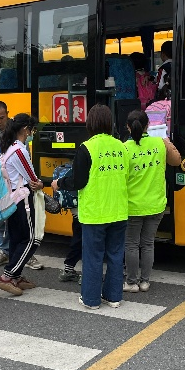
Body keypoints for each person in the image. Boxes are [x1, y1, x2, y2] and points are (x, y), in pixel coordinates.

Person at [53, 105, 128, 309]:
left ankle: (91, 300)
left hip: (95, 213)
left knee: (93, 257)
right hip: (119, 210)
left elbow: (77, 182)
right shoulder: (122, 147)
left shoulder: (87, 148)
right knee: (115, 255)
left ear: (90, 124)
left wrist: (59, 183)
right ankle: (113, 297)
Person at [0, 101, 43, 271]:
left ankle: (20, 258)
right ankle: (5, 255)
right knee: (3, 221)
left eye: (1, 117)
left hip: (11, 184)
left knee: (15, 226)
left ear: (8, 113)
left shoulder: (16, 136)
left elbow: (25, 160)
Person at [122, 110, 181, 293]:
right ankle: (145, 281)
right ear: (148, 125)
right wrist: (167, 141)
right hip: (156, 205)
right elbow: (176, 161)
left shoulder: (124, 148)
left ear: (128, 127)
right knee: (148, 243)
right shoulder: (159, 143)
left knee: (131, 244)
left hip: (133, 206)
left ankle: (131, 283)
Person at [0, 113, 45, 295]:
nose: (33, 133)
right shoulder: (20, 149)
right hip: (23, 199)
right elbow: (32, 179)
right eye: (32, 130)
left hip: (12, 200)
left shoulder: (9, 147)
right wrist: (41, 184)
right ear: (25, 129)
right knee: (32, 238)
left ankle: (16, 277)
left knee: (17, 238)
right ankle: (8, 276)